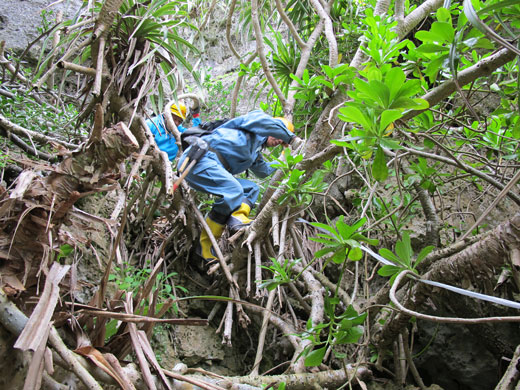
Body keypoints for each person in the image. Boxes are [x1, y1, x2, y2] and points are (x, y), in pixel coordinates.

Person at [177, 109, 298, 262]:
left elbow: (263, 171)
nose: (279, 141)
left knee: (251, 189)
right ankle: (234, 224)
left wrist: (284, 157)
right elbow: (266, 123)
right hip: (198, 159)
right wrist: (291, 138)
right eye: (279, 135)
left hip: (211, 168)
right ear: (273, 128)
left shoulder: (255, 152)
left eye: (281, 141)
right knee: (234, 190)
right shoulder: (254, 122)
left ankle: (206, 246)